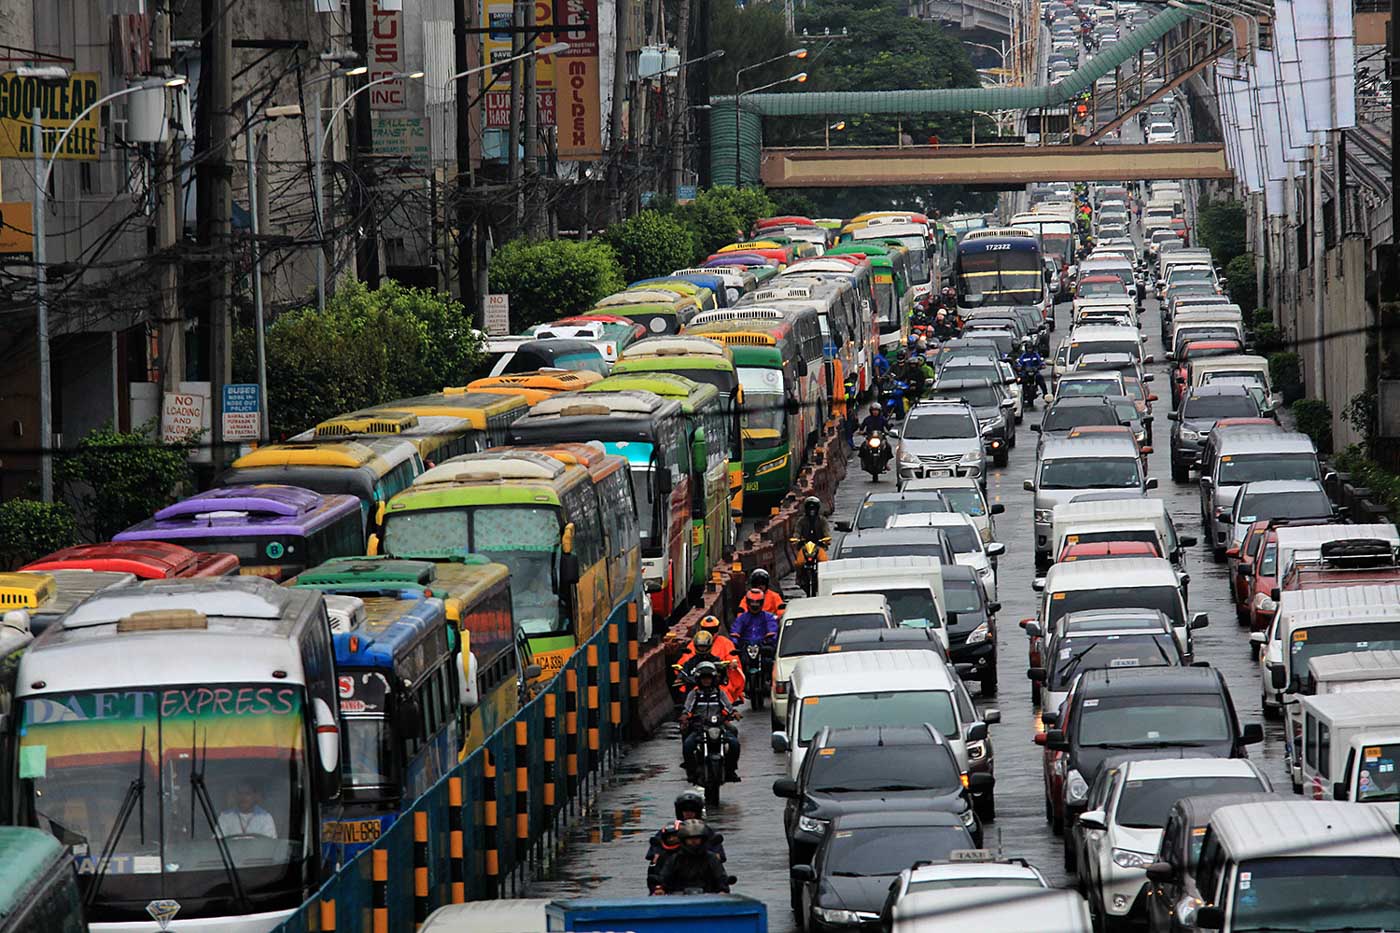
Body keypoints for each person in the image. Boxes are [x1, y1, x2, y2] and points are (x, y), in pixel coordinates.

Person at [680, 662, 741, 782]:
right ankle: (692, 771)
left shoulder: (719, 693)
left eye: (709, 678)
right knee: (688, 745)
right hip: (699, 728)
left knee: (734, 743)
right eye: (704, 678)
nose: (706, 681)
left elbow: (728, 707)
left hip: (719, 726)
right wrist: (685, 716)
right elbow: (687, 709)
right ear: (699, 679)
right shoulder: (694, 694)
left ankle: (730, 770)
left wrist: (734, 713)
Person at [653, 820, 731, 894]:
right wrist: (660, 889)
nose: (694, 841)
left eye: (697, 838)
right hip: (678, 899)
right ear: (684, 840)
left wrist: (723, 890)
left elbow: (721, 878)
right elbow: (664, 878)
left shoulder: (711, 858)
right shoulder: (675, 859)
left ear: (703, 839)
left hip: (708, 897)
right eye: (690, 839)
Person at [678, 628, 744, 703]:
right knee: (685, 701)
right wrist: (680, 677)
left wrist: (724, 671)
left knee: (724, 694)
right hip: (695, 689)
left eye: (704, 647)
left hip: (713, 690)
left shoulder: (716, 659)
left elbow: (724, 677)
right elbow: (683, 671)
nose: (702, 649)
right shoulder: (690, 661)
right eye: (700, 647)